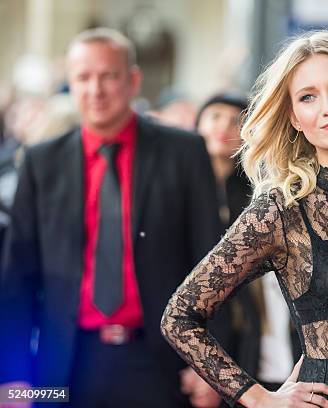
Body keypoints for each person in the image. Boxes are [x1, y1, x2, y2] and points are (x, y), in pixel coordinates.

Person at [161, 30, 328, 408]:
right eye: (308, 97)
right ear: (295, 118)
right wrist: (260, 398)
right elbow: (179, 316)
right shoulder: (282, 208)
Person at [0, 28, 222, 407]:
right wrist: (13, 377)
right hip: (62, 368)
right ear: (70, 84)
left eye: (109, 76)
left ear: (133, 80)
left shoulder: (183, 151)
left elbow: (213, 262)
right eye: (83, 78)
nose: (95, 90)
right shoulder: (41, 162)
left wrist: (212, 366)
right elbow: (18, 276)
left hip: (162, 363)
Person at [183, 91, 300, 407]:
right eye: (214, 116)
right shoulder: (179, 193)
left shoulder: (254, 197)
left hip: (251, 339)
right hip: (195, 334)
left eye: (236, 120)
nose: (224, 126)